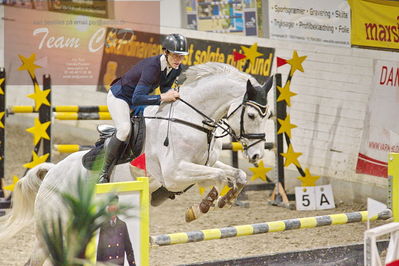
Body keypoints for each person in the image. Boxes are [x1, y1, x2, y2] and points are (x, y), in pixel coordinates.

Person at [98, 33, 189, 183]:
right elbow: (137, 98)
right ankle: (104, 172)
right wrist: (163, 98)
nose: (178, 60)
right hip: (120, 96)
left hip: (138, 99)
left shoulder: (176, 68)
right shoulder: (152, 67)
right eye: (175, 55)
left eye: (181, 56)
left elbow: (165, 88)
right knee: (124, 129)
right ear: (165, 52)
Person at [97, 196, 136, 265]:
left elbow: (128, 248)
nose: (113, 208)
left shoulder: (122, 225)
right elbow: (100, 249)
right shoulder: (103, 225)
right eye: (111, 205)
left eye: (114, 205)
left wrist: (132, 264)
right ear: (108, 208)